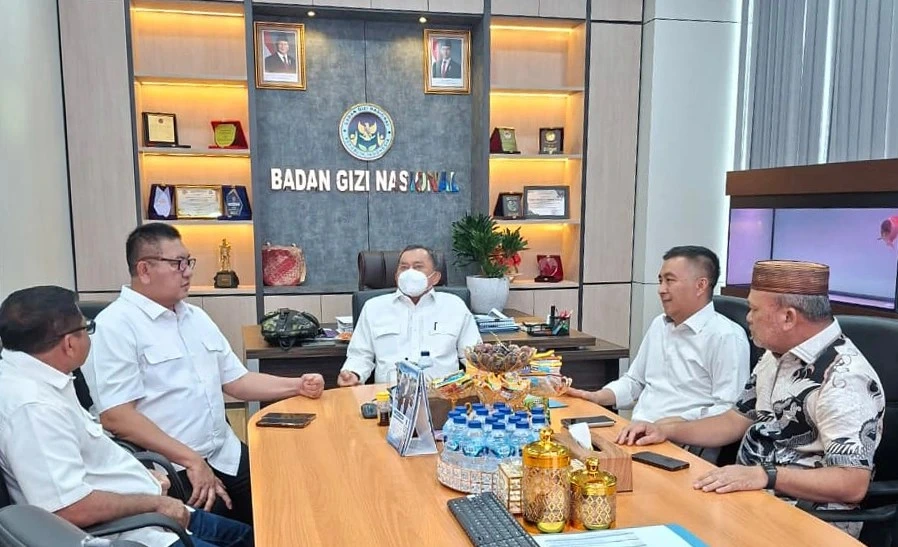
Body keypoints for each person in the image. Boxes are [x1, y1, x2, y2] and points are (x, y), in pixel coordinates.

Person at [617, 260, 885, 538]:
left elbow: (852, 483)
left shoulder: (845, 378)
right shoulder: (775, 356)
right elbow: (734, 420)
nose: (748, 318)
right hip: (750, 497)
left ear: (788, 318)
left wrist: (764, 475)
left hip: (807, 521)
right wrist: (665, 429)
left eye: (754, 309)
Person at [81, 223, 325, 527]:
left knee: (290, 504)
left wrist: (298, 385)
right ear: (144, 269)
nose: (187, 272)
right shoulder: (115, 327)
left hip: (225, 452)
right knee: (234, 532)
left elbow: (237, 381)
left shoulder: (196, 317)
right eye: (177, 264)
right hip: (175, 469)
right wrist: (191, 459)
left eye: (188, 262)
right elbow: (117, 416)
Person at [0, 286, 253, 547]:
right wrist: (154, 502)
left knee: (247, 535)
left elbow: (87, 455)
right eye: (87, 328)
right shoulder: (34, 408)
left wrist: (142, 478)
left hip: (147, 504)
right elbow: (69, 507)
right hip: (134, 531)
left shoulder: (41, 377)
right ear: (69, 344)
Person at [567, 246, 750, 423]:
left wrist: (676, 424)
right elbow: (635, 382)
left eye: (670, 281)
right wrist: (597, 396)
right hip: (638, 430)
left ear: (700, 285)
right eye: (660, 280)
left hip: (681, 438)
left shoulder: (726, 337)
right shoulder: (659, 325)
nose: (661, 289)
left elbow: (728, 411)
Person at [337, 245, 481, 386]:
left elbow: (474, 356)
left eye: (418, 267)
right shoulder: (373, 308)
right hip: (388, 395)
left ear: (435, 277)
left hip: (444, 394)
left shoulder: (454, 306)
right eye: (404, 268)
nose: (410, 273)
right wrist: (353, 374)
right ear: (396, 276)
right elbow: (360, 355)